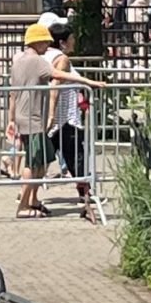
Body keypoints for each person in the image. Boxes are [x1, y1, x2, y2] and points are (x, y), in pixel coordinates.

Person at [44, 20, 106, 221]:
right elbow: (55, 86)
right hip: (64, 117)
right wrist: (52, 114)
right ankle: (86, 195)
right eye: (71, 39)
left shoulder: (45, 55)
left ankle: (29, 194)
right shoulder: (61, 59)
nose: (73, 43)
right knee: (75, 156)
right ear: (62, 42)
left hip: (58, 115)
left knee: (45, 156)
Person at [7, 22, 57, 219]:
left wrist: (11, 119)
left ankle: (33, 199)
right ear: (38, 42)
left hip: (24, 117)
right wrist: (88, 82)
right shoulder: (37, 61)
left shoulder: (18, 61)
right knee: (33, 163)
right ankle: (23, 206)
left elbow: (12, 93)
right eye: (46, 42)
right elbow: (57, 74)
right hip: (33, 119)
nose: (47, 46)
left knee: (42, 161)